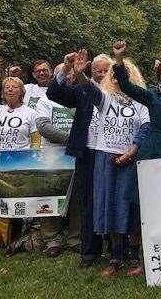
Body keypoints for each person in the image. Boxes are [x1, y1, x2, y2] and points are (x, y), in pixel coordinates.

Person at [73, 50, 150, 277]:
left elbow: (146, 127)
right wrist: (79, 75)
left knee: (133, 208)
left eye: (122, 73)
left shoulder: (141, 101)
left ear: (131, 76)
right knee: (109, 205)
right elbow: (89, 89)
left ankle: (134, 256)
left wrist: (132, 149)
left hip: (132, 160)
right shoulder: (105, 98)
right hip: (106, 159)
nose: (116, 77)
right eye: (114, 74)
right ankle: (115, 257)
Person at [47, 52, 113, 267]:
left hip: (112, 152)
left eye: (106, 70)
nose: (102, 74)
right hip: (87, 153)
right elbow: (54, 93)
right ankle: (89, 253)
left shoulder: (121, 92)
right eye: (97, 71)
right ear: (91, 72)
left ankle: (116, 250)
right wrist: (66, 69)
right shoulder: (82, 90)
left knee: (111, 199)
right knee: (87, 201)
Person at [0, 77, 40, 250]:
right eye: (7, 87)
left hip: (16, 165)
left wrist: (31, 160)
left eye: (14, 87)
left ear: (22, 92)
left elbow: (35, 140)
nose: (10, 89)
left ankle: (11, 238)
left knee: (11, 202)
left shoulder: (30, 113)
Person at [33, 63, 79, 257]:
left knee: (77, 198)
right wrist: (71, 139)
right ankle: (52, 239)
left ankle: (76, 238)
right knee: (49, 197)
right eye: (63, 72)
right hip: (52, 154)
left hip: (76, 155)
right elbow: (43, 126)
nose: (66, 75)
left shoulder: (80, 95)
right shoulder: (45, 99)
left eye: (69, 72)